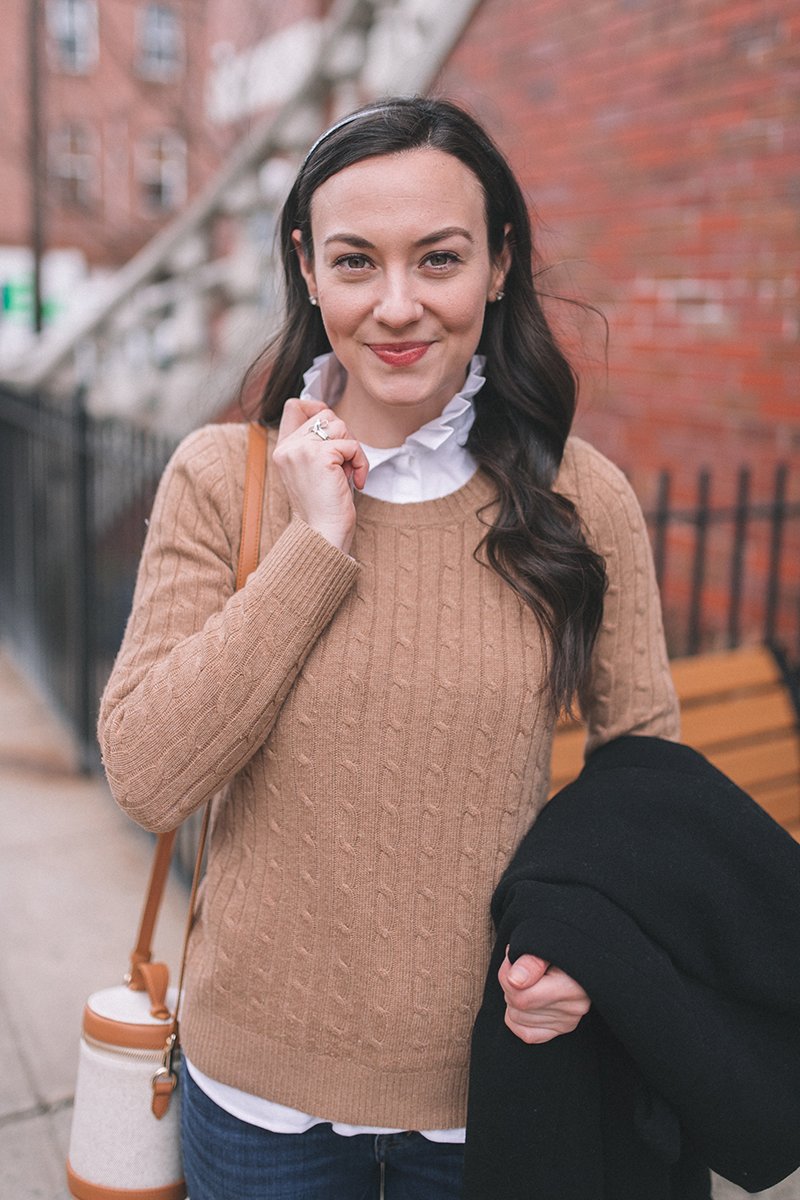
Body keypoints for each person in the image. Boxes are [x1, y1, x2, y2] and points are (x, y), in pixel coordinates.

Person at [98, 96, 679, 1199]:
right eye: (357, 261)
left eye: (440, 258)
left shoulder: (577, 499)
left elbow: (641, 762)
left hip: (488, 1094)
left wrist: (591, 952)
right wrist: (316, 545)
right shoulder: (224, 478)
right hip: (254, 1103)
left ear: (498, 265)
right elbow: (145, 772)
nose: (398, 306)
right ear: (307, 269)